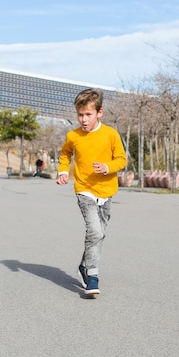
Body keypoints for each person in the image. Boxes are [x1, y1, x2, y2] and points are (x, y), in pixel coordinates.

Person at [56, 88, 127, 295]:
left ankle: (83, 266)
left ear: (99, 113)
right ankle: (93, 275)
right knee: (94, 231)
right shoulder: (73, 136)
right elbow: (65, 154)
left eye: (88, 114)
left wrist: (108, 167)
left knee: (100, 234)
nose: (83, 120)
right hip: (84, 189)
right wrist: (62, 171)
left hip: (106, 191)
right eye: (80, 115)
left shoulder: (111, 135)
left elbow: (121, 159)